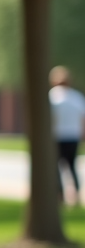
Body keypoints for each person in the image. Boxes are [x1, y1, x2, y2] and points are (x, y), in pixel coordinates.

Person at [50, 65, 85, 205]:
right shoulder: (76, 97)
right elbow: (82, 119)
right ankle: (76, 195)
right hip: (73, 136)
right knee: (72, 167)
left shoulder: (52, 96)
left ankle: (60, 196)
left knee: (56, 168)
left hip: (57, 136)